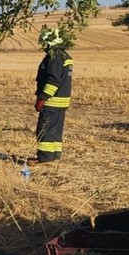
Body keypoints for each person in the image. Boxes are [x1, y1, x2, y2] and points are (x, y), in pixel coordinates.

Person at [35, 27, 73, 163]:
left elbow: (53, 80)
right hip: (62, 102)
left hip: (52, 101)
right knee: (56, 130)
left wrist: (42, 98)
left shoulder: (54, 57)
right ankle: (55, 156)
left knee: (45, 130)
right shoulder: (65, 56)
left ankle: (45, 158)